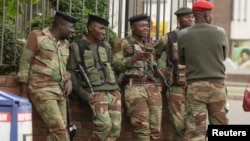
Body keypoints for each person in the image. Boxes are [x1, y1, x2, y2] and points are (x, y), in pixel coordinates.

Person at [16, 11, 76, 141]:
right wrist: (24, 95)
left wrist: (68, 79)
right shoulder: (37, 36)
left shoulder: (65, 44)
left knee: (61, 130)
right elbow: (25, 64)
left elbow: (62, 67)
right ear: (60, 25)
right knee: (60, 132)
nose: (73, 31)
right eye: (71, 27)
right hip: (42, 90)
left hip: (60, 92)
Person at [177, 0, 229, 140]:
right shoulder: (220, 32)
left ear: (194, 15)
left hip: (195, 86)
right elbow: (223, 56)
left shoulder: (183, 34)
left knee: (195, 129)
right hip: (217, 85)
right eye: (211, 14)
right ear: (207, 15)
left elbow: (182, 60)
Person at [67, 14, 122, 141]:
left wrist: (117, 87)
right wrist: (84, 95)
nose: (104, 32)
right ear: (91, 28)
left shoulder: (106, 46)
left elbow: (111, 67)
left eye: (105, 29)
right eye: (101, 28)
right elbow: (72, 73)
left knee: (115, 129)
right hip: (96, 92)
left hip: (113, 91)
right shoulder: (77, 46)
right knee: (104, 125)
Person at [112, 14, 162, 141]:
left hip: (152, 88)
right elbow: (116, 65)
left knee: (155, 131)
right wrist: (133, 59)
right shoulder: (122, 43)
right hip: (134, 87)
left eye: (147, 26)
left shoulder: (150, 46)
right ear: (133, 27)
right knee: (141, 130)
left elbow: (154, 67)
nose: (146, 28)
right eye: (142, 26)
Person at [153, 7, 194, 141]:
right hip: (176, 87)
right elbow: (153, 56)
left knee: (194, 126)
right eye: (187, 17)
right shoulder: (169, 37)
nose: (191, 19)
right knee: (179, 126)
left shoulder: (197, 36)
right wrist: (160, 74)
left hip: (196, 87)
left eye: (192, 17)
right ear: (179, 19)